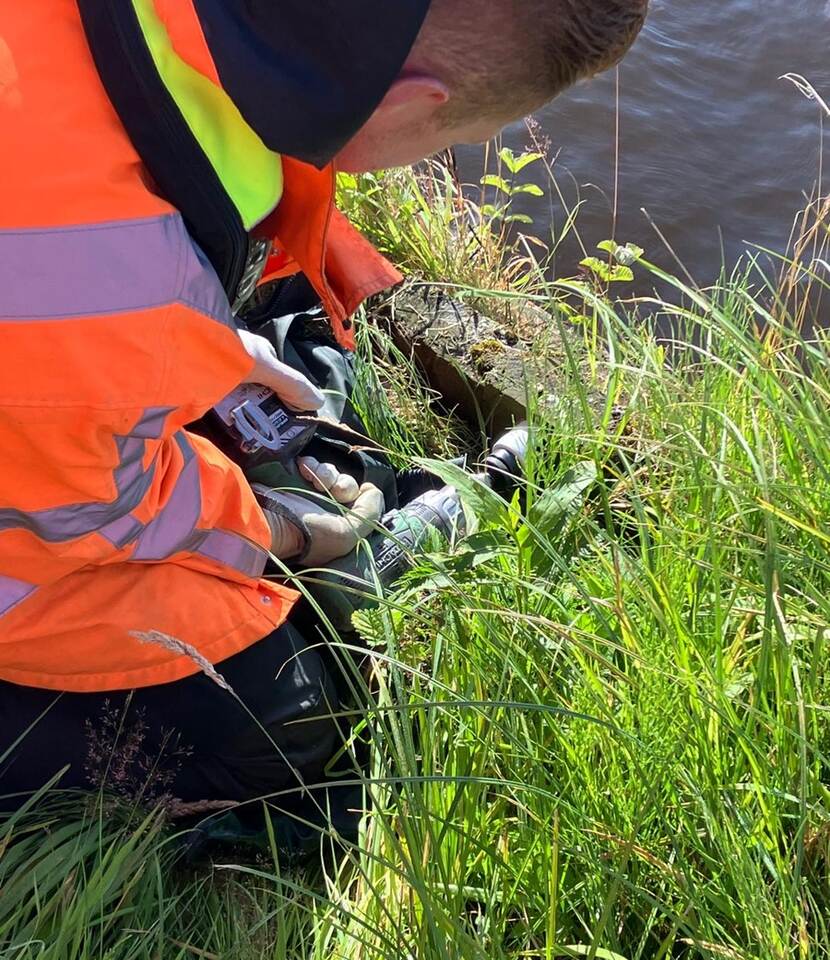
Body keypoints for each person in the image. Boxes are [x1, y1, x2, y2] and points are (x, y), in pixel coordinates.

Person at [0, 0, 647, 828]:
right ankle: (386, 559)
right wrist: (285, 529)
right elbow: (95, 521)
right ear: (412, 102)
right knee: (299, 726)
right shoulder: (121, 303)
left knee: (276, 330)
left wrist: (207, 348)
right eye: (449, 142)